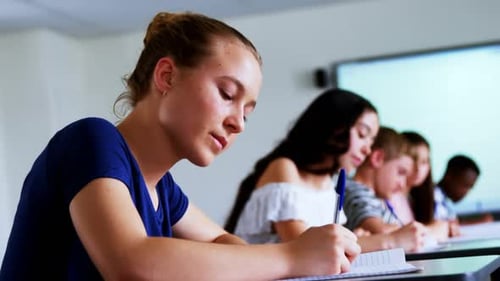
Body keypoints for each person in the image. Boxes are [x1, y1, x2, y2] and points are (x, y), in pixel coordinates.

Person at [0, 12, 361, 281]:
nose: (238, 123)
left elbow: (220, 238)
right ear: (167, 76)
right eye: (227, 94)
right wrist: (290, 257)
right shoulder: (91, 141)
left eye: (247, 113)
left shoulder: (164, 191)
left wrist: (279, 258)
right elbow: (132, 262)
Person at [224, 89, 425, 253]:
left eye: (371, 141)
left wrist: (353, 239)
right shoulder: (284, 168)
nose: (367, 149)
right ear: (335, 128)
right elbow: (309, 249)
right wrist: (390, 241)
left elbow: (329, 245)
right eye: (362, 134)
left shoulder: (328, 183)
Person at [342, 126, 430, 252]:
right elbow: (381, 231)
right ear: (377, 158)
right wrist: (431, 231)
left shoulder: (375, 198)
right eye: (400, 172)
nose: (402, 184)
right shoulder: (355, 191)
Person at [390, 131, 455, 240]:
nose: (418, 169)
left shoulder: (411, 198)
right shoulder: (391, 197)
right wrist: (438, 228)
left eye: (424, 162)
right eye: (413, 160)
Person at [434, 154, 492, 225]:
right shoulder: (434, 198)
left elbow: (450, 221)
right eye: (465, 185)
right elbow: (444, 225)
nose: (466, 192)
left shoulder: (442, 199)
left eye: (470, 188)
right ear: (449, 176)